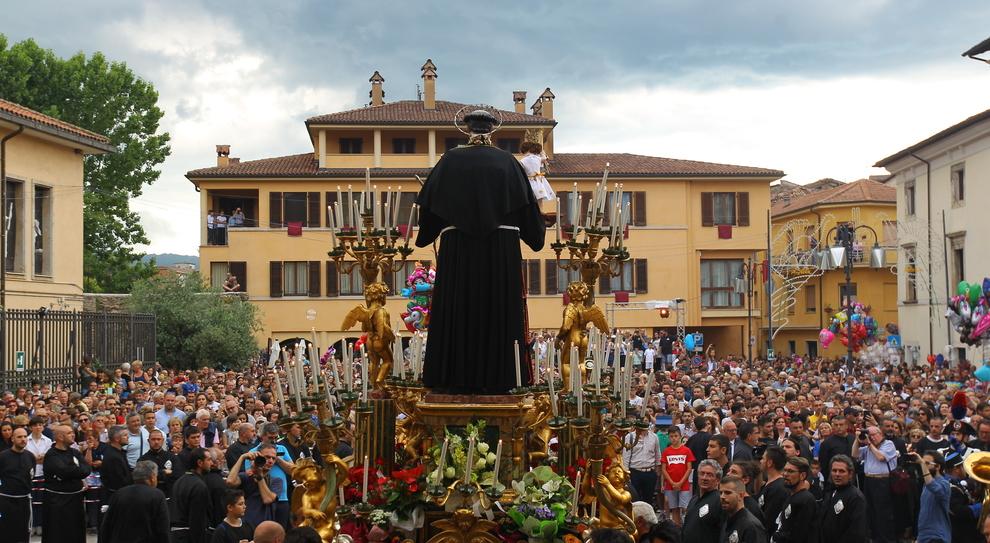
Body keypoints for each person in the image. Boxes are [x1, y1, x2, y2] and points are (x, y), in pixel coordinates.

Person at [414, 108, 545, 394]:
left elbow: (427, 225)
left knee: (457, 312)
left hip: (458, 253)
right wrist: (534, 232)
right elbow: (533, 229)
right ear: (491, 131)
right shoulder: (508, 163)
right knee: (500, 312)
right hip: (500, 255)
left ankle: (452, 379)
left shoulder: (449, 162)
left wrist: (432, 229)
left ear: (467, 129)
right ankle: (504, 380)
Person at [98, 460, 169, 543]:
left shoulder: (119, 494)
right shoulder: (157, 495)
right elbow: (163, 528)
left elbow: (106, 525)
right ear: (152, 477)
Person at [42, 424, 91, 543]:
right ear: (60, 437)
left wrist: (74, 471)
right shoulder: (51, 455)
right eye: (69, 433)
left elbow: (86, 469)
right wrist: (76, 470)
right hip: (57, 502)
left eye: (72, 432)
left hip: (75, 500)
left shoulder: (75, 452)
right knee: (58, 534)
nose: (73, 434)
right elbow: (64, 472)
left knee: (76, 532)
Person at [852, 425, 898, 543]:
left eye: (873, 435)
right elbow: (855, 454)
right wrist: (857, 440)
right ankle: (874, 537)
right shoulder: (868, 447)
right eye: (869, 435)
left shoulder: (888, 444)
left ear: (880, 434)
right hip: (869, 481)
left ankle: (886, 539)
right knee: (870, 510)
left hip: (883, 481)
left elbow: (881, 457)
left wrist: (869, 443)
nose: (871, 437)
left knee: (883, 512)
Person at [171, 447, 214, 543]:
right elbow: (197, 521)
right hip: (189, 536)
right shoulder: (199, 486)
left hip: (175, 536)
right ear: (200, 463)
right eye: (209, 460)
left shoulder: (179, 481)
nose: (212, 463)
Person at [772, 456, 818, 543]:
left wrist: (777, 537)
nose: (785, 474)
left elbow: (799, 535)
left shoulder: (806, 500)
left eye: (790, 471)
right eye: (784, 470)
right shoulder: (791, 495)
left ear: (802, 475)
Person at [0, 427, 33, 543]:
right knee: (5, 533)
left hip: (24, 501)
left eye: (25, 437)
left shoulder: (30, 456)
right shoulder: (3, 457)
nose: (23, 439)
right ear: (12, 439)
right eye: (19, 437)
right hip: (6, 501)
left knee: (24, 532)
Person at [913, 450, 951, 543]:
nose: (923, 466)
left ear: (937, 467)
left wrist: (922, 464)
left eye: (927, 463)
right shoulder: (925, 484)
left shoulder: (944, 483)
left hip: (937, 537)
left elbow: (934, 487)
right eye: (922, 462)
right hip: (924, 536)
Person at [682, 459, 722, 542]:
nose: (704, 478)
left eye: (709, 475)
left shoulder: (719, 500)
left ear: (717, 480)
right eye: (702, 473)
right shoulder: (694, 499)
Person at [945, 451, 982, 543]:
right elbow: (958, 511)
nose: (965, 469)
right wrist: (980, 507)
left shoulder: (955, 482)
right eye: (963, 466)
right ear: (956, 469)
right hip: (961, 535)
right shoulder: (951, 487)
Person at [660, 425, 694, 526]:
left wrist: (680, 483)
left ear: (680, 436)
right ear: (669, 437)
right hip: (670, 485)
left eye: (676, 436)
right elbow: (663, 469)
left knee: (685, 508)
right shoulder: (666, 451)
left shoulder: (686, 450)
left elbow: (689, 468)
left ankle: (687, 527)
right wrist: (672, 483)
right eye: (671, 436)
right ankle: (677, 529)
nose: (674, 438)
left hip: (684, 485)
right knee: (674, 508)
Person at [718, 475, 766, 543]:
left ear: (740, 495)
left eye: (728, 493)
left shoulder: (751, 526)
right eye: (720, 493)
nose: (722, 496)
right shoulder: (727, 521)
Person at [623, 420, 661, 504]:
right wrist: (626, 474)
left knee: (648, 499)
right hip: (634, 472)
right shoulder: (630, 437)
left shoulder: (654, 437)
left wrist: (657, 472)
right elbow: (626, 457)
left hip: (650, 472)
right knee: (634, 498)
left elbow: (658, 455)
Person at [99, 426, 132, 515]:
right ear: (117, 439)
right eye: (125, 435)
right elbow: (119, 480)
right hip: (116, 496)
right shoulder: (113, 457)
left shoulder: (119, 452)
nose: (128, 437)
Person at [757, 445, 788, 540]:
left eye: (763, 458)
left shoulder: (779, 488)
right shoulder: (768, 484)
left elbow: (769, 520)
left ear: (769, 463)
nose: (760, 461)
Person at [139, 428, 178, 498]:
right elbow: (143, 478)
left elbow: (178, 474)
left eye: (158, 439)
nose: (156, 442)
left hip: (169, 495)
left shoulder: (172, 457)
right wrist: (163, 472)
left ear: (163, 440)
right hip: (150, 496)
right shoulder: (143, 460)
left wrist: (155, 474)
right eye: (153, 439)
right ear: (148, 441)